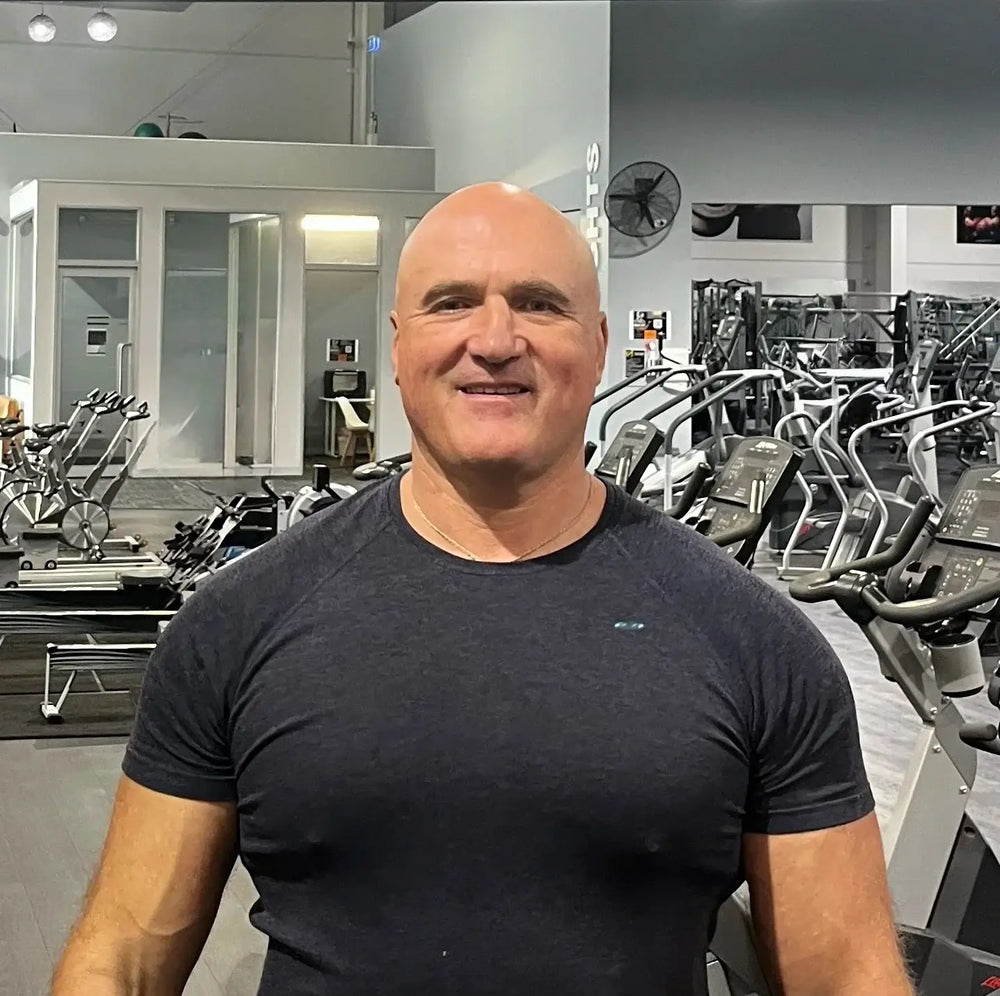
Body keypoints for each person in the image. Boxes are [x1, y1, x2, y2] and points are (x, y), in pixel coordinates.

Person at [52, 182, 914, 996]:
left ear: (599, 346)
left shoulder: (757, 643)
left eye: (539, 304)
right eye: (452, 302)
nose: (496, 340)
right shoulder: (236, 625)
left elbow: (847, 976)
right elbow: (121, 957)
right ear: (398, 346)